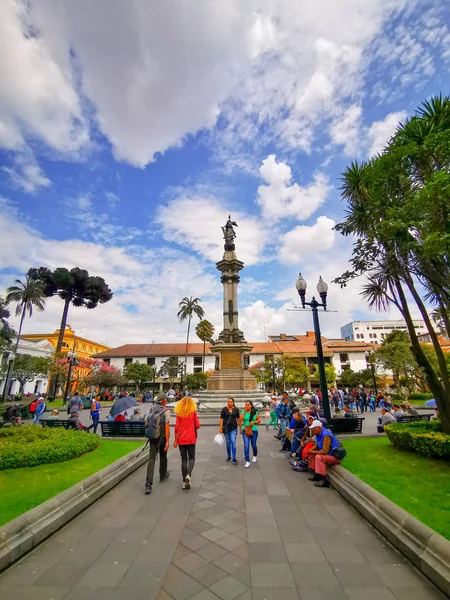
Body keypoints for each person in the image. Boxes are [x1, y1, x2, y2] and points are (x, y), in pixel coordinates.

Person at [144, 393, 171, 494]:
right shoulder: (166, 411)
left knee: (151, 459)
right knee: (163, 456)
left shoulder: (151, 409)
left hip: (152, 438)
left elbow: (146, 423)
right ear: (164, 401)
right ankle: (162, 475)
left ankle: (148, 484)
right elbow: (167, 428)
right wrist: (167, 441)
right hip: (162, 438)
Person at [305, 420, 343, 487]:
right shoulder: (318, 434)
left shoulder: (326, 435)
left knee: (318, 457)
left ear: (319, 427)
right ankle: (316, 475)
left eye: (314, 428)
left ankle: (323, 479)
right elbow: (316, 446)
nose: (313, 430)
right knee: (312, 454)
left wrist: (311, 451)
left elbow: (324, 452)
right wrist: (310, 451)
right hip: (329, 455)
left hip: (335, 456)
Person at [174, 396, 201, 489]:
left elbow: (177, 427)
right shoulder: (193, 413)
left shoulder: (179, 413)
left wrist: (175, 440)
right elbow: (197, 425)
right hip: (191, 438)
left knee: (184, 459)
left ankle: (184, 481)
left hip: (181, 439)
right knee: (192, 458)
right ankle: (188, 475)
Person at [239, 401, 261, 468]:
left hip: (253, 430)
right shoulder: (243, 412)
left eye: (248, 405)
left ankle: (255, 455)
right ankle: (247, 460)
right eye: (246, 405)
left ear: (251, 405)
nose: (247, 406)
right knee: (246, 445)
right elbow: (240, 420)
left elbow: (259, 420)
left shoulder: (255, 412)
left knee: (253, 444)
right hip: (245, 430)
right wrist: (244, 412)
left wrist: (254, 422)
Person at [219, 398, 240, 465]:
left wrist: (241, 427)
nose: (229, 403)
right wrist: (220, 428)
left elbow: (238, 419)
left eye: (230, 402)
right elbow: (221, 419)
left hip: (233, 428)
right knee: (228, 442)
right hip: (226, 429)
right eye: (228, 402)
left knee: (233, 441)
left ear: (233, 402)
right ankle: (229, 456)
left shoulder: (236, 409)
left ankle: (234, 458)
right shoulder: (224, 409)